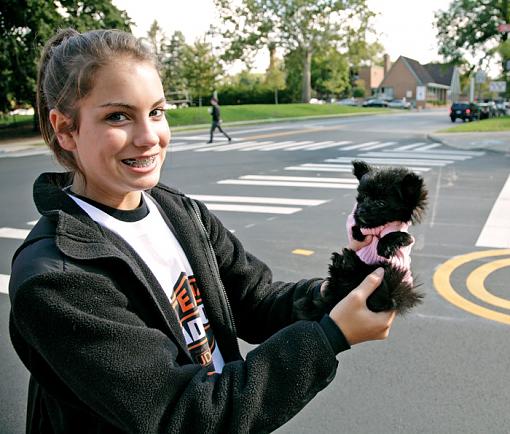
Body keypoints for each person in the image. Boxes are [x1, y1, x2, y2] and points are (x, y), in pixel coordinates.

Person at [8, 28, 395, 434]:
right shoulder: (55, 280)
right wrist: (330, 337)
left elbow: (256, 299)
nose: (149, 137)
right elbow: (184, 415)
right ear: (66, 128)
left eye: (157, 111)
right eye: (117, 116)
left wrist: (345, 286)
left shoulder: (178, 211)